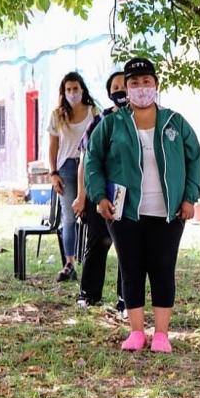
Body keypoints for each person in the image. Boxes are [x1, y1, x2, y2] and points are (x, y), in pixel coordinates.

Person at [86, 57, 200, 353]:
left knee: (163, 268)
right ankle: (136, 332)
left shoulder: (175, 122)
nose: (140, 88)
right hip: (124, 211)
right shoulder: (111, 124)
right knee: (131, 268)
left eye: (146, 82)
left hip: (169, 212)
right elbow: (93, 162)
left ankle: (161, 334)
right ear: (125, 88)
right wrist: (99, 196)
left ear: (156, 85)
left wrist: (190, 197)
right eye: (134, 83)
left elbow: (194, 159)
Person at [73, 71, 127, 310]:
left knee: (128, 246)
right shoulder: (100, 120)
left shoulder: (145, 119)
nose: (121, 90)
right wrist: (82, 195)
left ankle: (126, 298)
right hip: (102, 191)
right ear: (109, 93)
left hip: (131, 193)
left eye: (125, 85)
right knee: (97, 242)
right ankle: (88, 294)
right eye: (115, 87)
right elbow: (86, 159)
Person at [48, 72, 98, 282]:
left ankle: (92, 262)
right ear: (63, 92)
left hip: (89, 165)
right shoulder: (57, 115)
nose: (72, 93)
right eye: (68, 89)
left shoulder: (94, 111)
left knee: (92, 215)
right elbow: (53, 146)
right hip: (66, 168)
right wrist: (53, 173)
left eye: (75, 88)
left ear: (82, 89)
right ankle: (69, 263)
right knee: (68, 218)